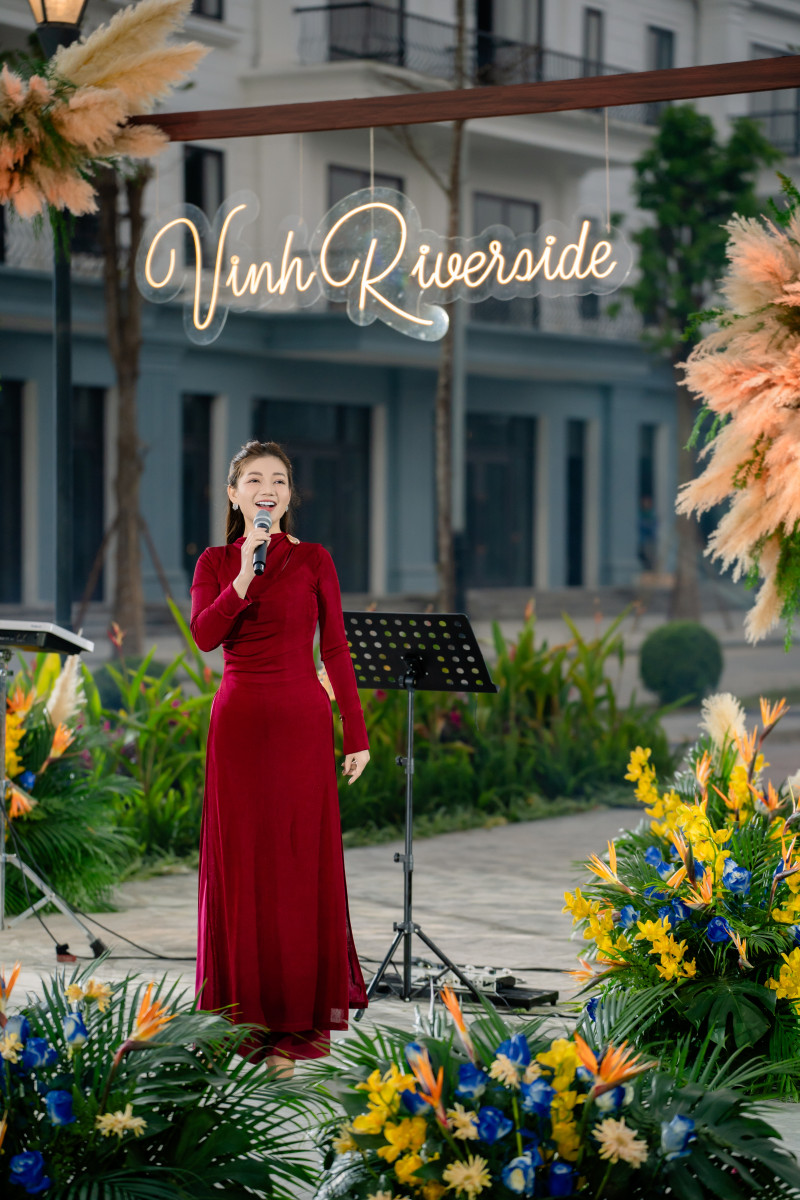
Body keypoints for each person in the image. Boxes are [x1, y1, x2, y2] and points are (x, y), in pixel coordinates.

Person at [190, 439, 370, 1071]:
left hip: (301, 724)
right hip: (239, 726)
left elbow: (337, 649)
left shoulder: (315, 559)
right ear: (233, 494)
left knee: (296, 866)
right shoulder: (215, 562)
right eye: (254, 479)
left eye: (279, 480)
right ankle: (238, 1025)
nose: (268, 489)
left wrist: (356, 734)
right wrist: (243, 575)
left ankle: (291, 1032)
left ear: (290, 495)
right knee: (240, 867)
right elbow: (205, 636)